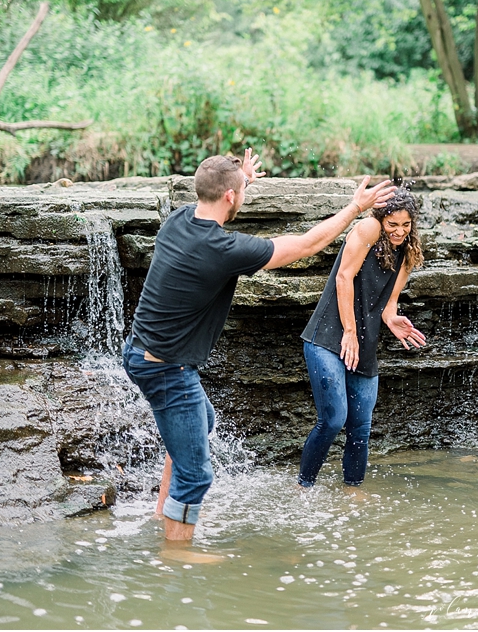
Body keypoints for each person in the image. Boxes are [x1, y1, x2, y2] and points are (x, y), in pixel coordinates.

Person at [123, 148, 396, 542]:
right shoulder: (224, 250)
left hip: (138, 351)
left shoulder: (178, 221)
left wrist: (242, 178)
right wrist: (355, 206)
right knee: (196, 474)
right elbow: (304, 245)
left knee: (203, 424)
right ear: (231, 197)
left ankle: (160, 514)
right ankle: (176, 554)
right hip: (166, 368)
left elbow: (219, 193)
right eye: (240, 190)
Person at [298, 187, 425, 489]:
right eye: (393, 225)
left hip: (364, 345)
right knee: (332, 420)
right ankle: (303, 487)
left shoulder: (407, 250)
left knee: (361, 429)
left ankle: (352, 491)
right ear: (381, 218)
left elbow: (389, 303)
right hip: (329, 338)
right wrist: (350, 333)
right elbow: (344, 277)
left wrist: (392, 318)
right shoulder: (368, 228)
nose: (399, 232)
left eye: (406, 225)